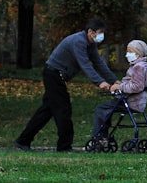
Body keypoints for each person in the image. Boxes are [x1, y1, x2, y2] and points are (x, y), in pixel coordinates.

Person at [15, 18, 117, 152]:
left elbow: (99, 63)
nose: (101, 35)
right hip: (54, 75)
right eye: (100, 32)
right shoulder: (79, 42)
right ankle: (64, 146)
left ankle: (23, 141)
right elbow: (85, 65)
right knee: (63, 110)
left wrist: (115, 81)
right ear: (91, 32)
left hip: (57, 76)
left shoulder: (90, 44)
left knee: (46, 111)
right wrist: (100, 82)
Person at [91, 39, 147, 142]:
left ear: (138, 55)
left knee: (102, 109)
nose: (127, 54)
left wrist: (120, 87)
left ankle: (100, 137)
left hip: (131, 102)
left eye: (130, 52)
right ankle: (103, 136)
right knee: (107, 108)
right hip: (139, 102)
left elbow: (137, 86)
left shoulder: (138, 67)